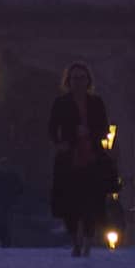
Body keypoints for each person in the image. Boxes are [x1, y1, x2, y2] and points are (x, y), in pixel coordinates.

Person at [46, 62, 116, 256]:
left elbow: (104, 127)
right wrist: (59, 143)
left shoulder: (96, 102)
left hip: (92, 155)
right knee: (70, 200)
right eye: (75, 78)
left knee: (92, 200)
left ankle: (87, 240)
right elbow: (52, 127)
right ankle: (75, 240)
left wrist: (90, 133)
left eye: (82, 78)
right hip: (69, 157)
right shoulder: (61, 103)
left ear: (88, 81)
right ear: (68, 81)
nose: (78, 82)